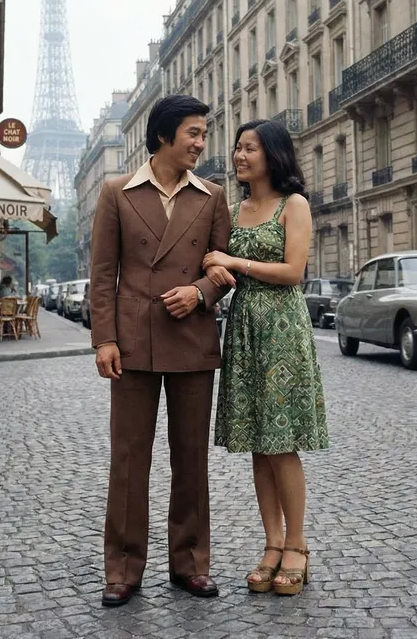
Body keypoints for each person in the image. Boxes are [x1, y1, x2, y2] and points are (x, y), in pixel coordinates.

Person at [89, 94, 233, 608]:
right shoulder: (116, 193)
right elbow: (104, 276)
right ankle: (122, 569)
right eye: (193, 133)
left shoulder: (213, 196)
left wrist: (200, 292)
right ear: (164, 135)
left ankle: (190, 563)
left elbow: (222, 269)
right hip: (132, 343)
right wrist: (104, 339)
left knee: (190, 458)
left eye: (203, 134)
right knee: (128, 459)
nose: (201, 143)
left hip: (192, 338)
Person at [203, 119, 329, 597]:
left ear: (271, 153)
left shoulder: (293, 205)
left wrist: (234, 262)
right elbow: (214, 261)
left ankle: (297, 544)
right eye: (237, 148)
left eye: (249, 148)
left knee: (282, 443)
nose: (239, 156)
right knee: (259, 441)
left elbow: (294, 271)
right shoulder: (236, 210)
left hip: (281, 329)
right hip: (245, 331)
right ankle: (272, 544)